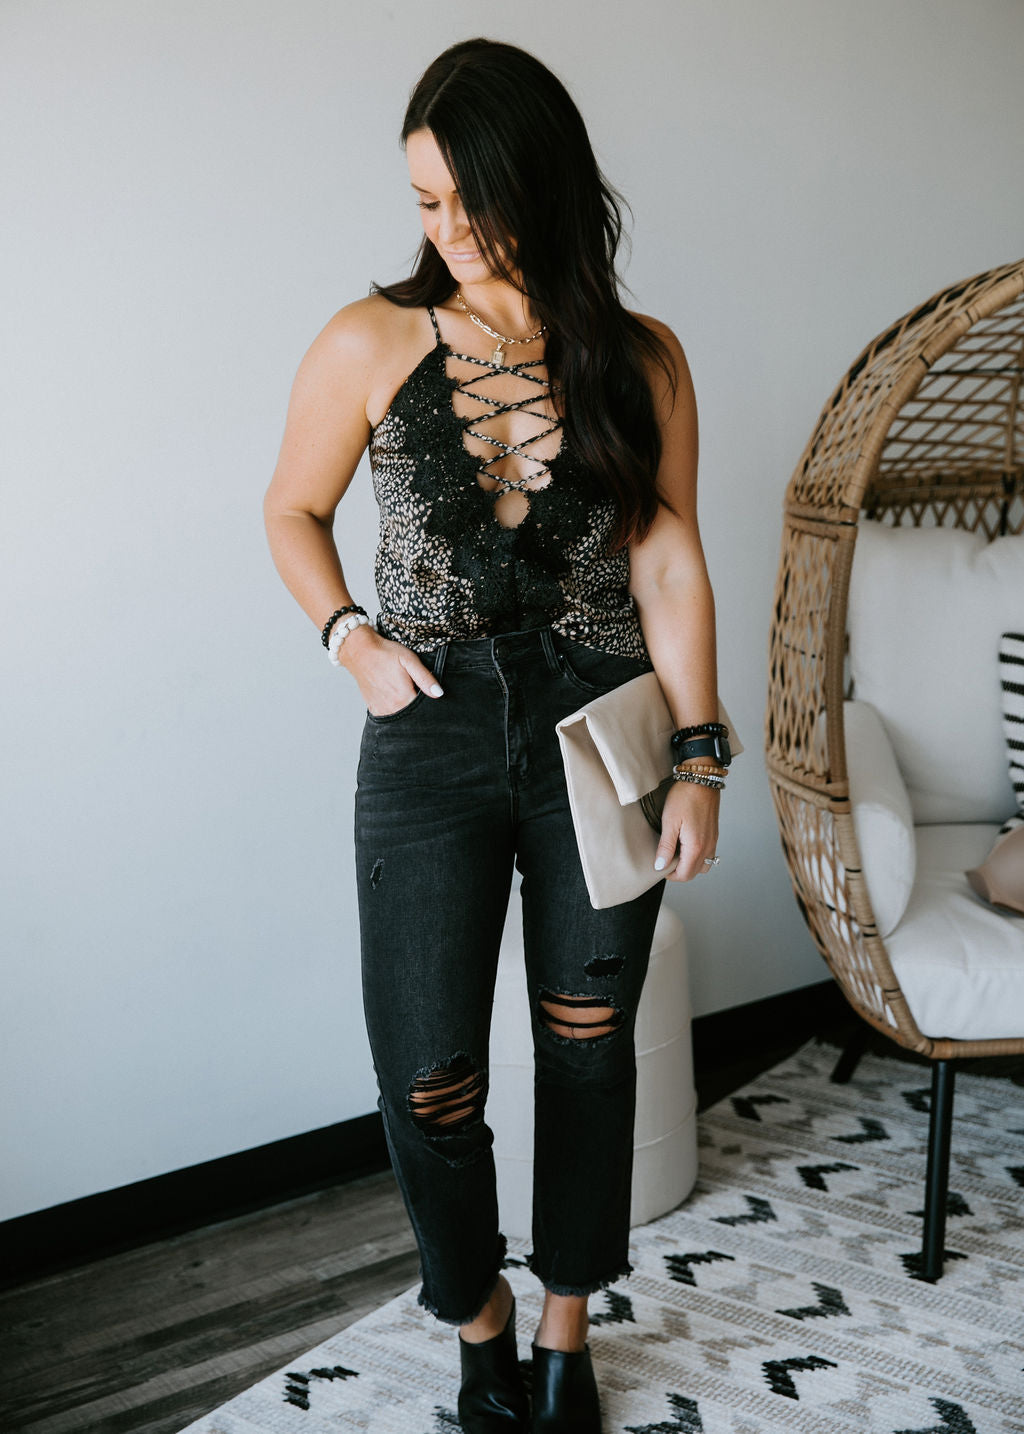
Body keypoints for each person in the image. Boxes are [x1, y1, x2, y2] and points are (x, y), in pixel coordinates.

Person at [263, 37, 723, 1434]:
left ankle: (570, 1332)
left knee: (587, 1043)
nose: (449, 230)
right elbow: (291, 509)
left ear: (548, 183)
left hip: (601, 727)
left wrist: (699, 753)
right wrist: (350, 638)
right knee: (428, 1076)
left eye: (475, 199)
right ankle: (481, 1325)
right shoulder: (368, 340)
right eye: (426, 202)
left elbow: (667, 558)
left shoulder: (643, 360)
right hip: (432, 733)